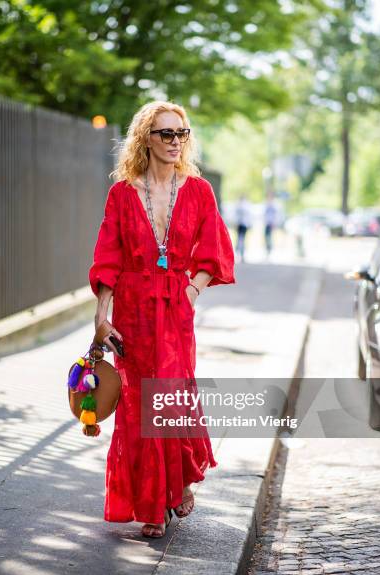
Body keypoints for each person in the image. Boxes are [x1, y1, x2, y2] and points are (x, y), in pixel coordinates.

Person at [88, 101, 236, 538]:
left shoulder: (199, 190)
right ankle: (152, 504)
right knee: (135, 401)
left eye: (181, 133)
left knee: (170, 392)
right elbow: (108, 258)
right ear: (145, 139)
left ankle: (180, 481)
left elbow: (215, 249)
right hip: (131, 308)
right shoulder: (121, 193)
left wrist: (191, 290)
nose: (175, 142)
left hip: (175, 305)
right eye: (166, 134)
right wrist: (101, 316)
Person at [234, 193, 253, 263]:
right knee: (241, 239)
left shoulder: (241, 205)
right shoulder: (244, 205)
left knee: (240, 239)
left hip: (242, 224)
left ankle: (241, 254)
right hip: (242, 224)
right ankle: (240, 254)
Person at [263, 191, 277, 255]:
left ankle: (269, 250)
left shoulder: (273, 204)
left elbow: (275, 215)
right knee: (266, 236)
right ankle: (267, 249)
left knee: (269, 237)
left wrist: (274, 223)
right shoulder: (266, 203)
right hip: (266, 223)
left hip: (271, 223)